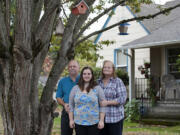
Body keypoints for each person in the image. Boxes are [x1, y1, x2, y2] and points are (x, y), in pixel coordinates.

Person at [69, 66, 106, 135]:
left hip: (94, 122)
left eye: (89, 74)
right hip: (78, 122)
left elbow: (103, 105)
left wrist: (101, 120)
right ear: (81, 75)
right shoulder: (75, 88)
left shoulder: (98, 88)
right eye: (84, 74)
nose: (86, 75)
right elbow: (71, 105)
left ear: (92, 75)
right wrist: (71, 120)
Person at [98, 60, 127, 135]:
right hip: (101, 119)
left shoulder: (118, 81)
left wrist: (107, 102)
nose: (106, 69)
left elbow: (122, 99)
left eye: (109, 67)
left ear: (113, 69)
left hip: (115, 118)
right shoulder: (98, 82)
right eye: (104, 67)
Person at [56, 60, 80, 135]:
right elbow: (58, 97)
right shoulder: (62, 81)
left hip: (82, 112)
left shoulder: (84, 79)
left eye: (74, 66)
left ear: (78, 68)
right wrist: (64, 104)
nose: (72, 68)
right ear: (68, 68)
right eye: (70, 66)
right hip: (67, 111)